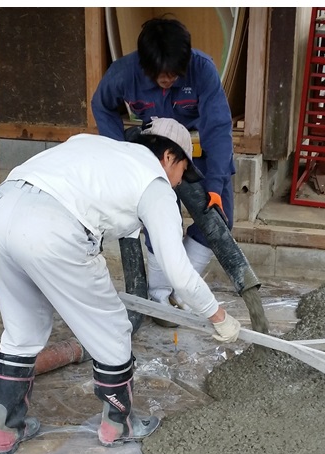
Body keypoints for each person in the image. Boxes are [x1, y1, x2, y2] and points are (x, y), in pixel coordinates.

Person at [0, 119, 240, 454]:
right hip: (51, 226)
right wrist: (217, 315)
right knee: (114, 330)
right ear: (170, 158)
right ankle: (117, 425)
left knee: (22, 330)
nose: (178, 184)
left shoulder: (99, 148)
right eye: (182, 173)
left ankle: (5, 431)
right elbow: (180, 272)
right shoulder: (154, 183)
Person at [92, 17, 236, 306]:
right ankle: (159, 295)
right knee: (157, 220)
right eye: (161, 74)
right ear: (145, 66)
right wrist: (123, 155)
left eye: (174, 74)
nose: (168, 80)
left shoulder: (202, 69)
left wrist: (217, 186)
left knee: (218, 218)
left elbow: (218, 128)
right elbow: (101, 106)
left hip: (198, 149)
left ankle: (182, 291)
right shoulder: (123, 73)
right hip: (155, 149)